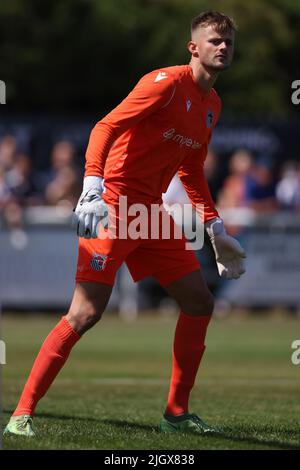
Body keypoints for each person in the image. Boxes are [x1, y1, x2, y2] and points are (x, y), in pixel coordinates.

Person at [4, 11, 246, 437]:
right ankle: (21, 415)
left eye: (228, 41)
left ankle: (176, 414)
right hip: (113, 207)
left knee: (200, 302)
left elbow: (190, 168)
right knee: (85, 314)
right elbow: (106, 126)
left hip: (150, 214)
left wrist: (215, 228)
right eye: (214, 40)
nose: (222, 46)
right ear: (194, 47)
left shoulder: (212, 105)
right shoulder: (167, 84)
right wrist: (92, 187)